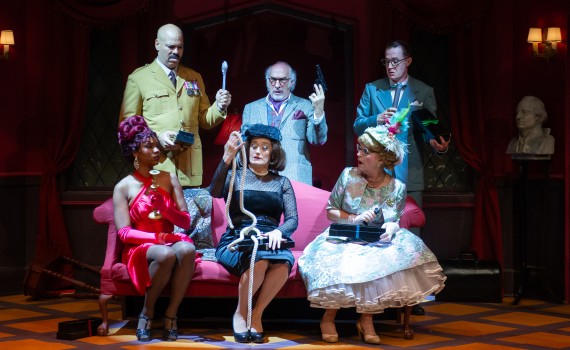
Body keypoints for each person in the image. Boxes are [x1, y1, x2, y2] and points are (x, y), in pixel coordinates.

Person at [298, 124, 446, 344]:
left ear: (381, 158)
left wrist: (391, 228)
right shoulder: (348, 176)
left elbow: (394, 219)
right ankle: (328, 318)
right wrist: (353, 218)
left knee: (381, 260)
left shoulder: (396, 187)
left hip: (374, 239)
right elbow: (331, 211)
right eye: (359, 148)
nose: (358, 154)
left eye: (365, 151)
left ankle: (366, 320)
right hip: (346, 235)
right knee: (341, 260)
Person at [209, 124, 298, 343]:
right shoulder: (235, 176)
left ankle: (256, 314)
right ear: (247, 150)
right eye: (254, 146)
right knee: (258, 259)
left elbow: (293, 219)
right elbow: (214, 191)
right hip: (237, 238)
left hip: (269, 238)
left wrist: (278, 232)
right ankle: (240, 313)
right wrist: (226, 159)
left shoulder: (281, 182)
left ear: (273, 153)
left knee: (283, 261)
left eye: (264, 147)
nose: (258, 151)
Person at [114, 116, 197, 342]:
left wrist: (166, 208)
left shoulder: (170, 178)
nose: (155, 150)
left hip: (169, 237)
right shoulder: (123, 186)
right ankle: (147, 312)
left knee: (187, 250)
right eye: (148, 146)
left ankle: (171, 315)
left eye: (155, 145)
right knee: (166, 253)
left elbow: (186, 222)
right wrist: (158, 237)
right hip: (141, 246)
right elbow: (124, 233)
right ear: (135, 152)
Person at [120, 23, 232, 188]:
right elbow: (127, 127)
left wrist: (219, 107)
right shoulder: (139, 79)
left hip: (190, 171)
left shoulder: (193, 77)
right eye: (171, 46)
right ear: (157, 44)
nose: (176, 52)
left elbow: (205, 120)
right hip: (157, 168)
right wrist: (156, 137)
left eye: (180, 47)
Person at [354, 40, 449, 211]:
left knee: (410, 229)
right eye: (387, 61)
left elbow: (430, 130)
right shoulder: (372, 89)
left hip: (409, 176)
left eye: (395, 61)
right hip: (377, 172)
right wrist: (377, 118)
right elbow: (357, 126)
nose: (390, 66)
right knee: (378, 230)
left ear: (408, 61)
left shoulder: (423, 91)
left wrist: (438, 145)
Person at [241, 61, 327, 185]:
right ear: (267, 81)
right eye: (273, 80)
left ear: (291, 82)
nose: (277, 85)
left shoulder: (305, 106)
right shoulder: (251, 109)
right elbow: (245, 147)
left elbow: (318, 140)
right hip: (258, 180)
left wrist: (318, 111)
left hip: (295, 179)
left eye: (282, 80)